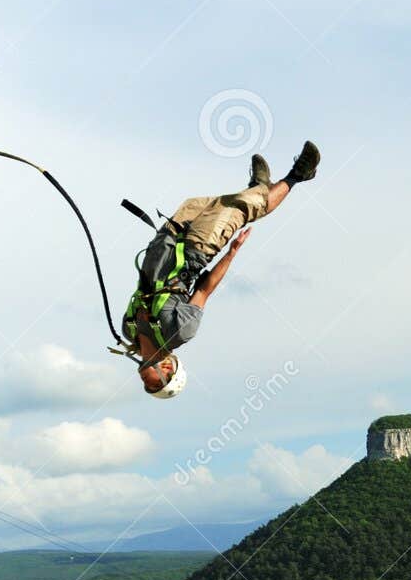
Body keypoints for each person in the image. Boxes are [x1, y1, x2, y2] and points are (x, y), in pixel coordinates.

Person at [123, 140, 320, 397]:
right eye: (154, 384)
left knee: (207, 203)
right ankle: (299, 175)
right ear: (170, 367)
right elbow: (205, 290)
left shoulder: (129, 330)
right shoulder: (180, 332)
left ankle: (259, 187)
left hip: (168, 238)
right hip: (197, 249)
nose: (146, 383)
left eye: (149, 386)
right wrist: (232, 252)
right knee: (242, 208)